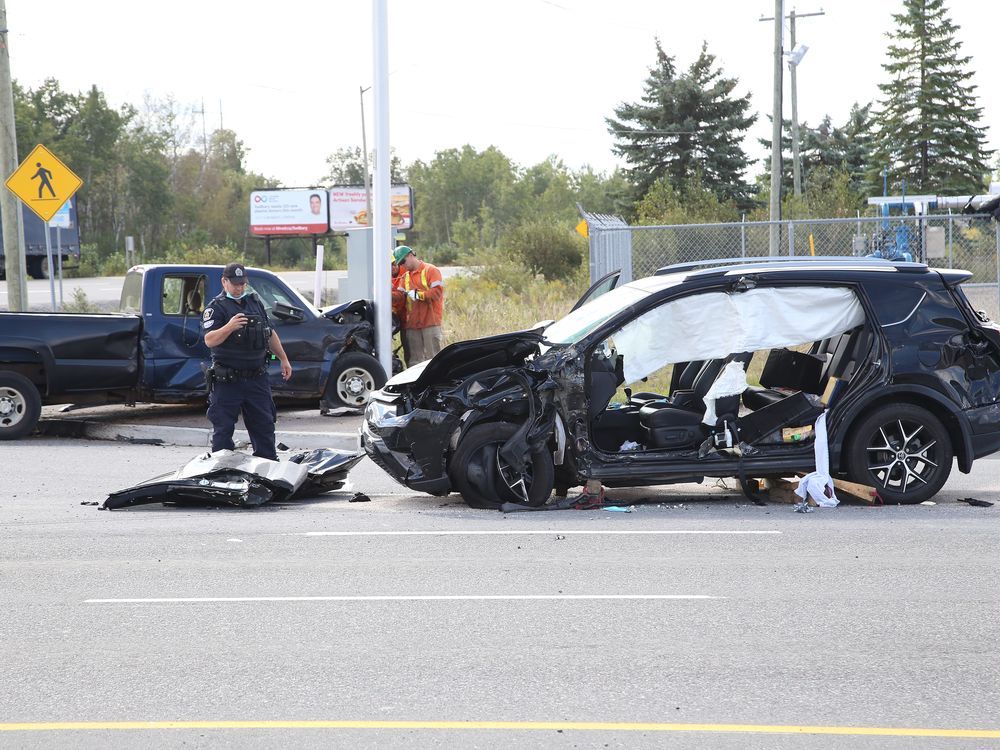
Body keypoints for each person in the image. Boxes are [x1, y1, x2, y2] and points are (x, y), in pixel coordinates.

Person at [202, 262, 292, 460]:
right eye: (235, 284)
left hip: (256, 379)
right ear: (224, 282)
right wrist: (229, 327)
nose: (239, 288)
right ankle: (221, 473)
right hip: (228, 381)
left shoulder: (254, 302)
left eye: (242, 284)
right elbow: (209, 340)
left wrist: (284, 359)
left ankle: (267, 471)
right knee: (223, 430)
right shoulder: (216, 308)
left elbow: (270, 333)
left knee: (264, 426)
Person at [391, 245, 444, 365]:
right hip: (413, 325)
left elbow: (437, 293)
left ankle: (436, 383)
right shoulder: (406, 277)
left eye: (403, 261)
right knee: (415, 362)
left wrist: (418, 295)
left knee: (433, 359)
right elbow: (400, 295)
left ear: (411, 255)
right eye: (400, 264)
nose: (402, 266)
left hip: (430, 322)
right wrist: (388, 294)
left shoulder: (431, 270)